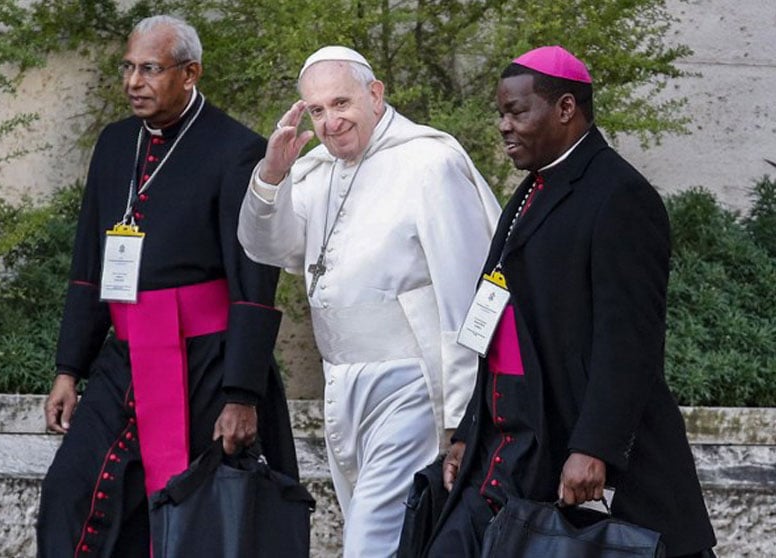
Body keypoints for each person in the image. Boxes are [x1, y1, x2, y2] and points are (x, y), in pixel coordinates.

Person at [425, 46, 716, 557]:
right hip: (506, 437)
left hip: (566, 438)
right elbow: (493, 325)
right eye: (501, 113)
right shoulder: (531, 189)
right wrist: (469, 430)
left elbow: (629, 341)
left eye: (517, 111)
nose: (503, 126)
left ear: (565, 108)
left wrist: (595, 447)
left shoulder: (620, 194)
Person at [36, 15, 298, 557]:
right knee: (69, 490)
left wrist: (241, 394)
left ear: (190, 73)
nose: (134, 81)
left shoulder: (235, 150)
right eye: (128, 67)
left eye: (150, 69)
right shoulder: (114, 145)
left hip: (203, 364)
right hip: (123, 359)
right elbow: (90, 263)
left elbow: (254, 281)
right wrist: (69, 369)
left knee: (187, 510)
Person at [238, 46, 500, 557]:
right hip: (342, 383)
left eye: (341, 103)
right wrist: (272, 176)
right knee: (388, 532)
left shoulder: (430, 162)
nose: (330, 122)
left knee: (370, 540)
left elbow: (463, 295)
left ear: (375, 95)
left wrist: (462, 415)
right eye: (317, 110)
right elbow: (269, 247)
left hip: (411, 384)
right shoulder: (318, 170)